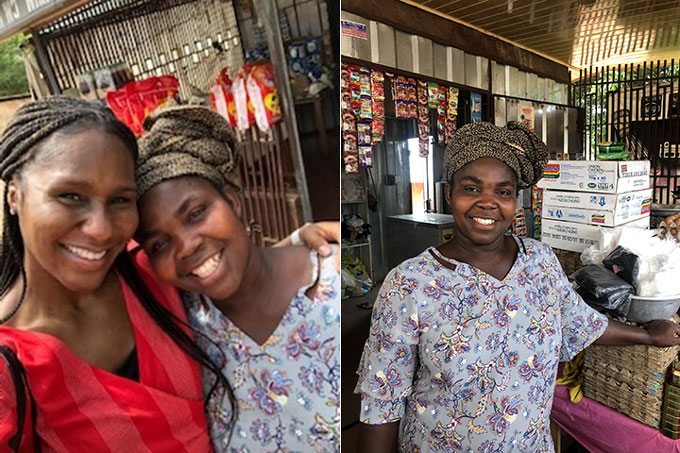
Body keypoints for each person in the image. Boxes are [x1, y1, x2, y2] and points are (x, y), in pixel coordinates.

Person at [0, 97, 338, 451]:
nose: (100, 230)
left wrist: (303, 248)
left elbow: (222, 263)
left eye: (119, 200)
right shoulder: (11, 370)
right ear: (14, 195)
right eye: (70, 195)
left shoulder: (147, 277)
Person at [354, 121, 680, 453]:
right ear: (449, 193)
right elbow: (381, 401)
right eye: (471, 188)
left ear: (514, 201)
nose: (487, 202)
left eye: (503, 191)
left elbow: (580, 322)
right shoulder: (409, 284)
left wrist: (649, 336)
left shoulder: (540, 262)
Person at [133, 105, 340, 452]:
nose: (186, 247)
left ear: (232, 199)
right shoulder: (181, 326)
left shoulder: (334, 284)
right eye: (160, 243)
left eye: (196, 213)